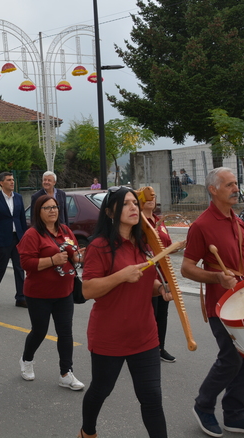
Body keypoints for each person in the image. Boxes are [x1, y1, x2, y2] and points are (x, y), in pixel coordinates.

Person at [181, 168, 244, 437]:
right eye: (230, 185)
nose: (236, 189)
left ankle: (235, 414)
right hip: (221, 305)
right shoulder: (201, 225)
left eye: (236, 184)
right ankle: (203, 405)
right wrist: (216, 277)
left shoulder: (239, 222)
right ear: (213, 189)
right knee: (232, 358)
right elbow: (186, 268)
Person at [79, 186, 171, 438]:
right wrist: (121, 276)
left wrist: (160, 289)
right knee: (100, 389)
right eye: (127, 204)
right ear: (110, 212)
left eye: (135, 203)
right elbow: (87, 290)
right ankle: (87, 432)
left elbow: (143, 283)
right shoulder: (99, 246)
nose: (134, 208)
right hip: (110, 336)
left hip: (145, 335)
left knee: (151, 398)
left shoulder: (143, 243)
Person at [18, 194, 85, 391]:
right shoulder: (32, 234)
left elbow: (73, 254)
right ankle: (26, 360)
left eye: (55, 207)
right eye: (47, 208)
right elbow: (26, 264)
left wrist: (81, 256)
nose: (53, 210)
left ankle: (66, 373)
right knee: (39, 331)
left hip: (64, 291)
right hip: (39, 293)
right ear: (39, 212)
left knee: (65, 332)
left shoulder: (65, 230)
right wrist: (52, 261)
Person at [137, 186, 176, 364]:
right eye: (147, 198)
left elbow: (167, 244)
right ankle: (146, 347)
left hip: (164, 273)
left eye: (153, 198)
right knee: (149, 312)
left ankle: (160, 347)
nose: (151, 200)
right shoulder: (139, 223)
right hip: (149, 275)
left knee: (163, 312)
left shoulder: (159, 221)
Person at [0, 171, 27, 307]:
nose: (12, 182)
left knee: (19, 268)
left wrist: (26, 237)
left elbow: (22, 219)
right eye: (8, 180)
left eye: (13, 179)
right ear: (1, 183)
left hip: (17, 237)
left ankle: (20, 297)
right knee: (1, 267)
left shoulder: (18, 198)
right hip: (2, 238)